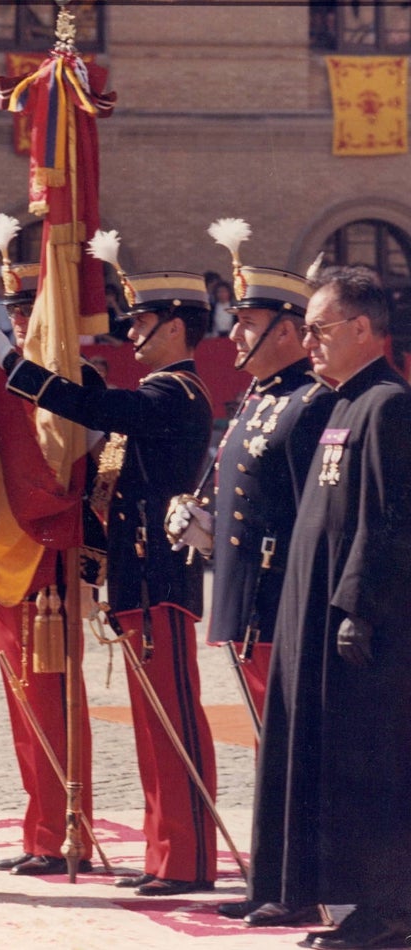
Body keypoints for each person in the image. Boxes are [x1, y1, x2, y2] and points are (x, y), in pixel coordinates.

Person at [0, 261, 218, 898]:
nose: (132, 329)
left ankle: (187, 857)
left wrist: (12, 365)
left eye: (143, 319)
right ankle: (168, 851)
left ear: (177, 328)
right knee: (151, 720)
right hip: (137, 575)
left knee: (171, 720)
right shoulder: (160, 392)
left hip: (161, 574)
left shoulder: (176, 393)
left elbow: (87, 404)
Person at [166, 221, 336, 927]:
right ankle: (274, 878)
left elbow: (308, 517)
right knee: (271, 750)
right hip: (246, 597)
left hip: (280, 599)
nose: (235, 338)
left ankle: (299, 885)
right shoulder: (258, 400)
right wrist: (201, 524)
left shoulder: (310, 402)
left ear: (293, 332)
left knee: (292, 751)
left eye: (251, 325)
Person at [248, 265, 411, 948]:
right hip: (310, 614)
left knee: (368, 768)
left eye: (319, 329)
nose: (307, 342)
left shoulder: (389, 404)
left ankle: (388, 913)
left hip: (359, 627)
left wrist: (356, 608)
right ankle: (312, 892)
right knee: (319, 759)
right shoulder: (340, 401)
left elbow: (386, 521)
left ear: (364, 329)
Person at [0, 251, 100, 875]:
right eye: (12, 311)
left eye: (30, 312)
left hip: (52, 561)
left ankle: (63, 831)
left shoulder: (76, 382)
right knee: (22, 704)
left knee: (52, 701)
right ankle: (39, 829)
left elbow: (90, 473)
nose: (19, 323)